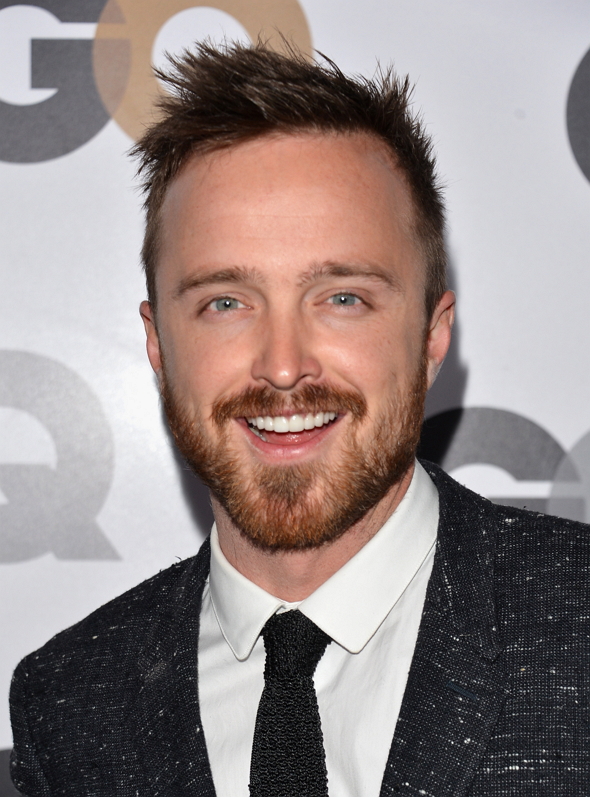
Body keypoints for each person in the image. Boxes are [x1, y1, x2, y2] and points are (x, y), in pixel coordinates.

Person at [9, 41, 590, 797]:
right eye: (226, 302)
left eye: (342, 298)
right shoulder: (69, 701)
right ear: (157, 344)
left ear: (432, 334)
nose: (283, 366)